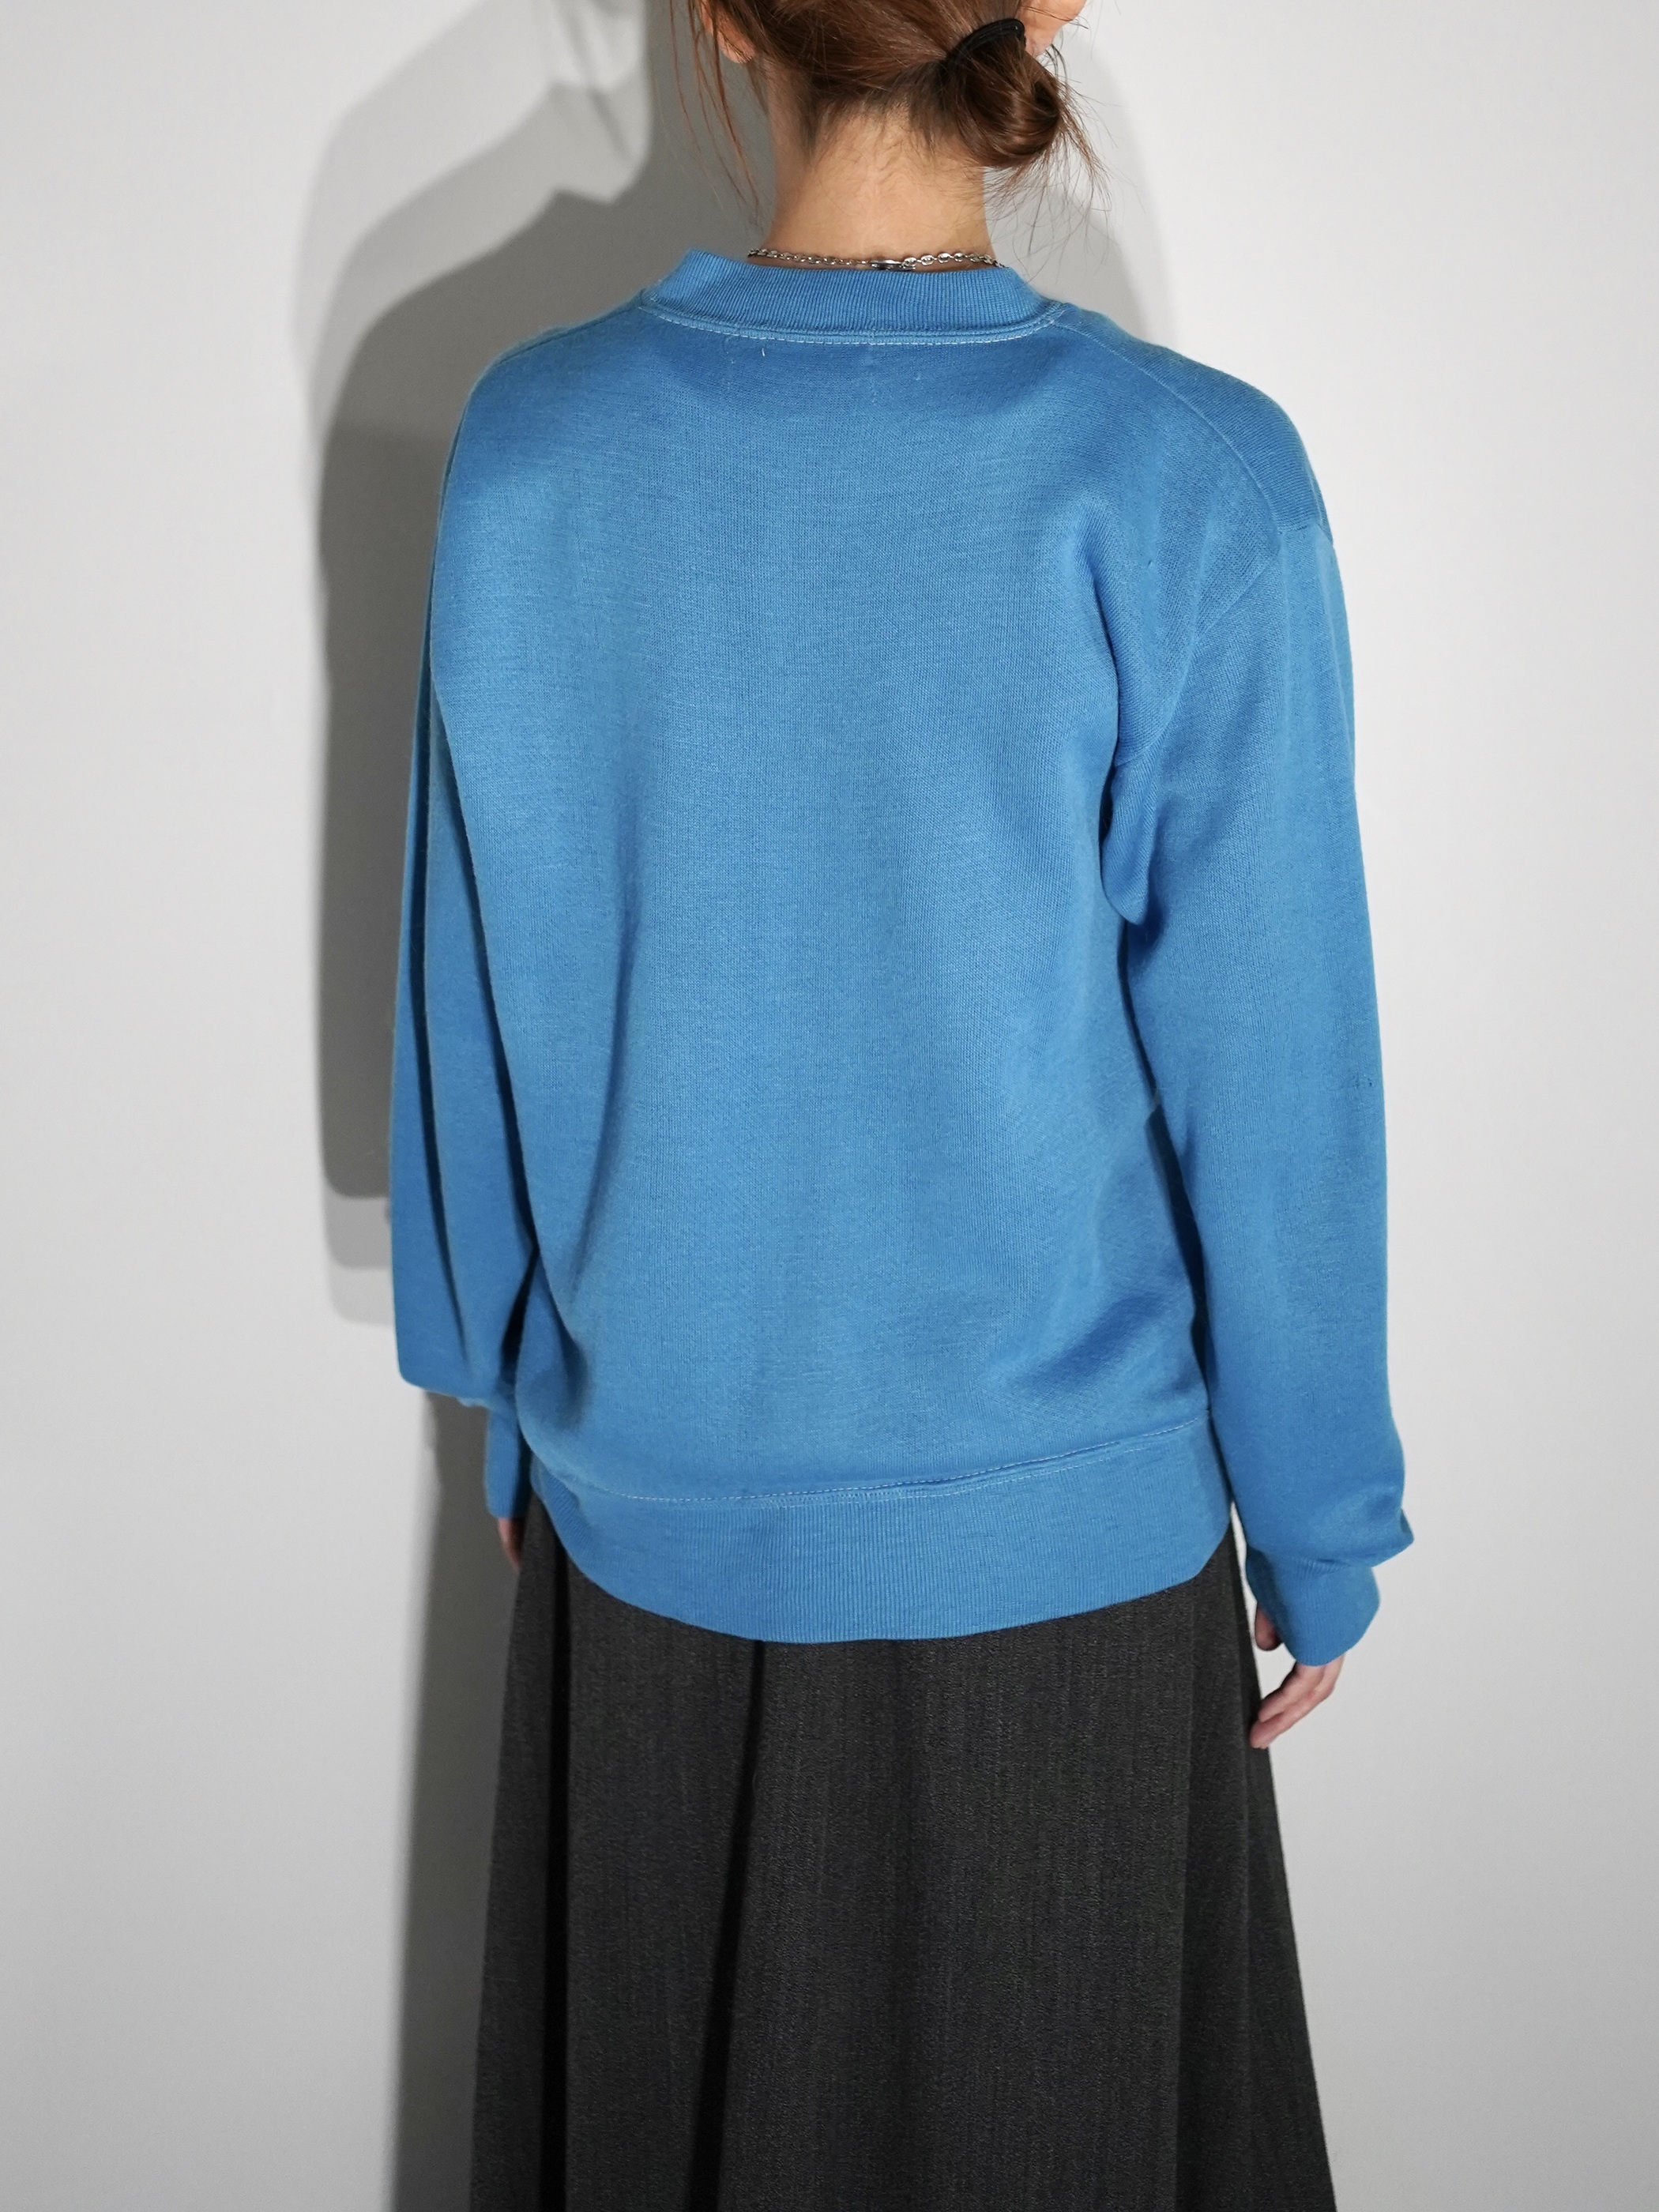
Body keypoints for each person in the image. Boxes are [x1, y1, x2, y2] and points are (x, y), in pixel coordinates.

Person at [389, 2, 1413, 2203]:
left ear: (722, 15)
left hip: (642, 1574)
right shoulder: (1192, 478)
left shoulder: (535, 448)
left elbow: (469, 977)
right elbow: (1278, 1083)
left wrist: (506, 1398)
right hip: (1066, 1600)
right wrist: (1321, 1523)